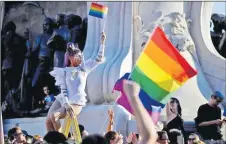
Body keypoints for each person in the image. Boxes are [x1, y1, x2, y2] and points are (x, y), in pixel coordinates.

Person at [45, 32, 106, 132]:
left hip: (76, 102)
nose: (81, 57)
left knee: (54, 116)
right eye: (78, 56)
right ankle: (51, 140)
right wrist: (65, 104)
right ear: (70, 57)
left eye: (81, 55)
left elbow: (98, 59)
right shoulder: (64, 71)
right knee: (48, 121)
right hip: (64, 100)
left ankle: (61, 140)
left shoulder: (84, 68)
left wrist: (102, 43)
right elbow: (63, 89)